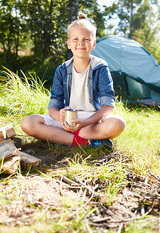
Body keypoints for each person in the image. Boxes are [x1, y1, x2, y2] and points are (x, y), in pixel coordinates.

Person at [21, 12, 126, 150]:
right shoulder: (62, 70)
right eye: (75, 39)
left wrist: (85, 122)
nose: (81, 43)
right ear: (69, 44)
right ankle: (85, 141)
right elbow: (53, 105)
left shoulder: (100, 67)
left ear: (93, 44)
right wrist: (59, 117)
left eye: (86, 39)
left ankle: (65, 137)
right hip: (69, 119)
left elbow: (108, 107)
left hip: (92, 120)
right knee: (28, 123)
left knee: (118, 123)